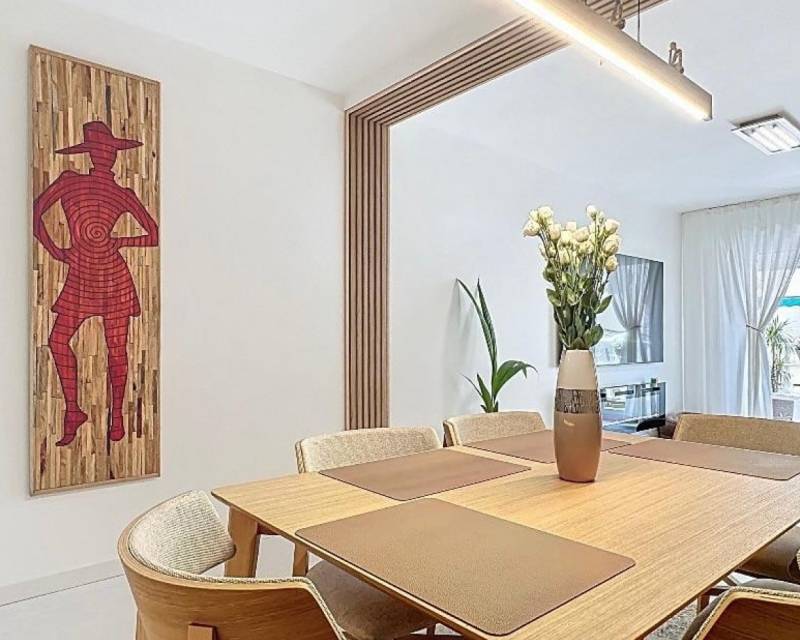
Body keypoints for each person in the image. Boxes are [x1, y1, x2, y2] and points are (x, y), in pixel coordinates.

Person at [33, 121, 159, 446]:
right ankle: (73, 410)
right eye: (100, 149)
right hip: (81, 274)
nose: (106, 155)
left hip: (114, 277)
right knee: (58, 341)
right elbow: (36, 213)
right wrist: (55, 250)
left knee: (116, 350)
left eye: (110, 150)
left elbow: (153, 234)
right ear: (90, 153)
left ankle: (117, 415)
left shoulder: (123, 193)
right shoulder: (69, 182)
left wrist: (121, 241)